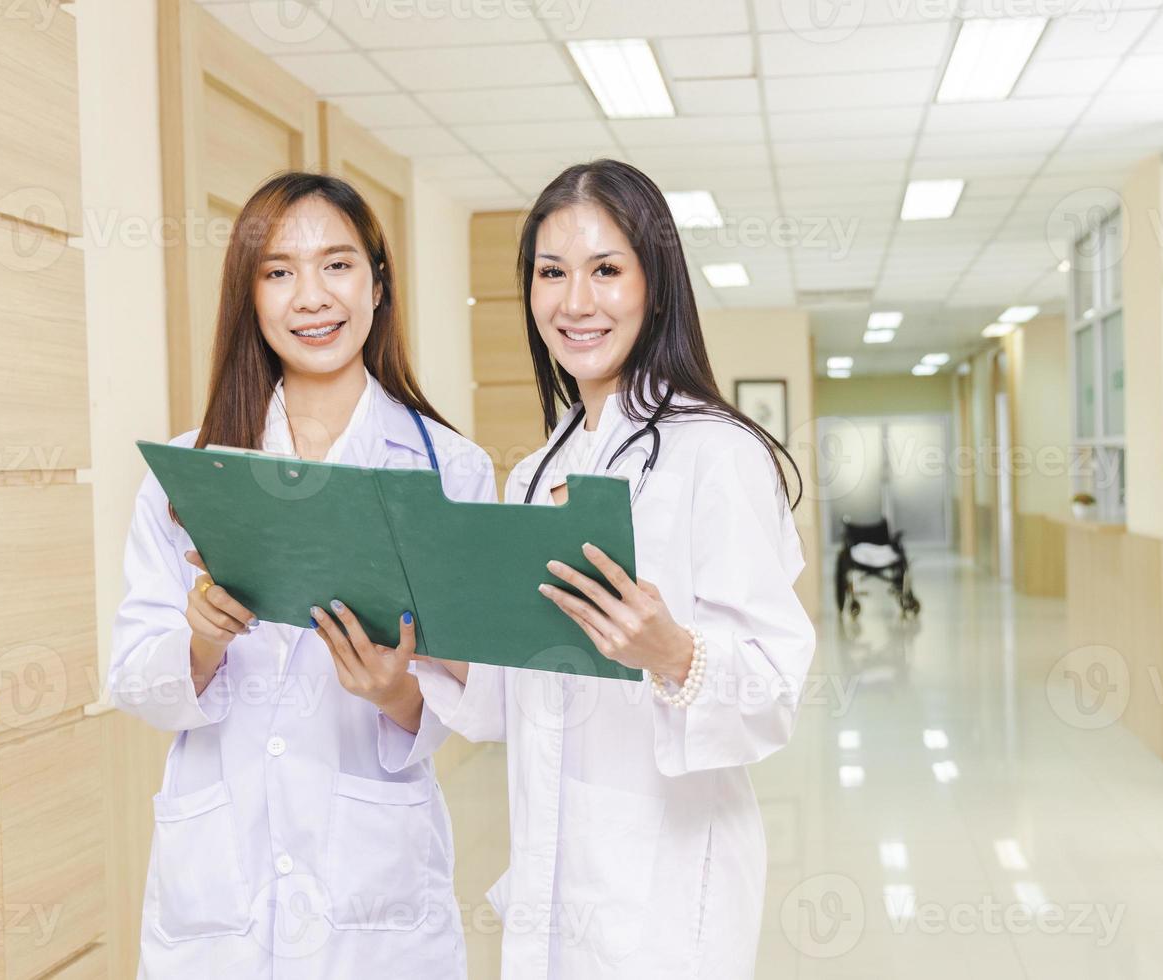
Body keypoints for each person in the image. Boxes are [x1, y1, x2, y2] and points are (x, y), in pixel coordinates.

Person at [416, 159, 816, 979]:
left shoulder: (718, 453)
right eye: (551, 273)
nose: (575, 302)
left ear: (656, 285)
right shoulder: (530, 474)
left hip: (669, 892)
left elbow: (775, 693)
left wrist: (673, 652)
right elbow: (513, 696)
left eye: (606, 270)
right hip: (554, 877)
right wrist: (417, 632)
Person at [109, 171, 493, 978]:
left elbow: (483, 685)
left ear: (379, 285)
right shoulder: (189, 474)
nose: (311, 296)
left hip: (375, 888)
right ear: (249, 297)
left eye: (338, 265)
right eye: (278, 272)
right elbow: (136, 681)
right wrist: (201, 642)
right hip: (220, 884)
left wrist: (395, 692)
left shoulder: (447, 469)